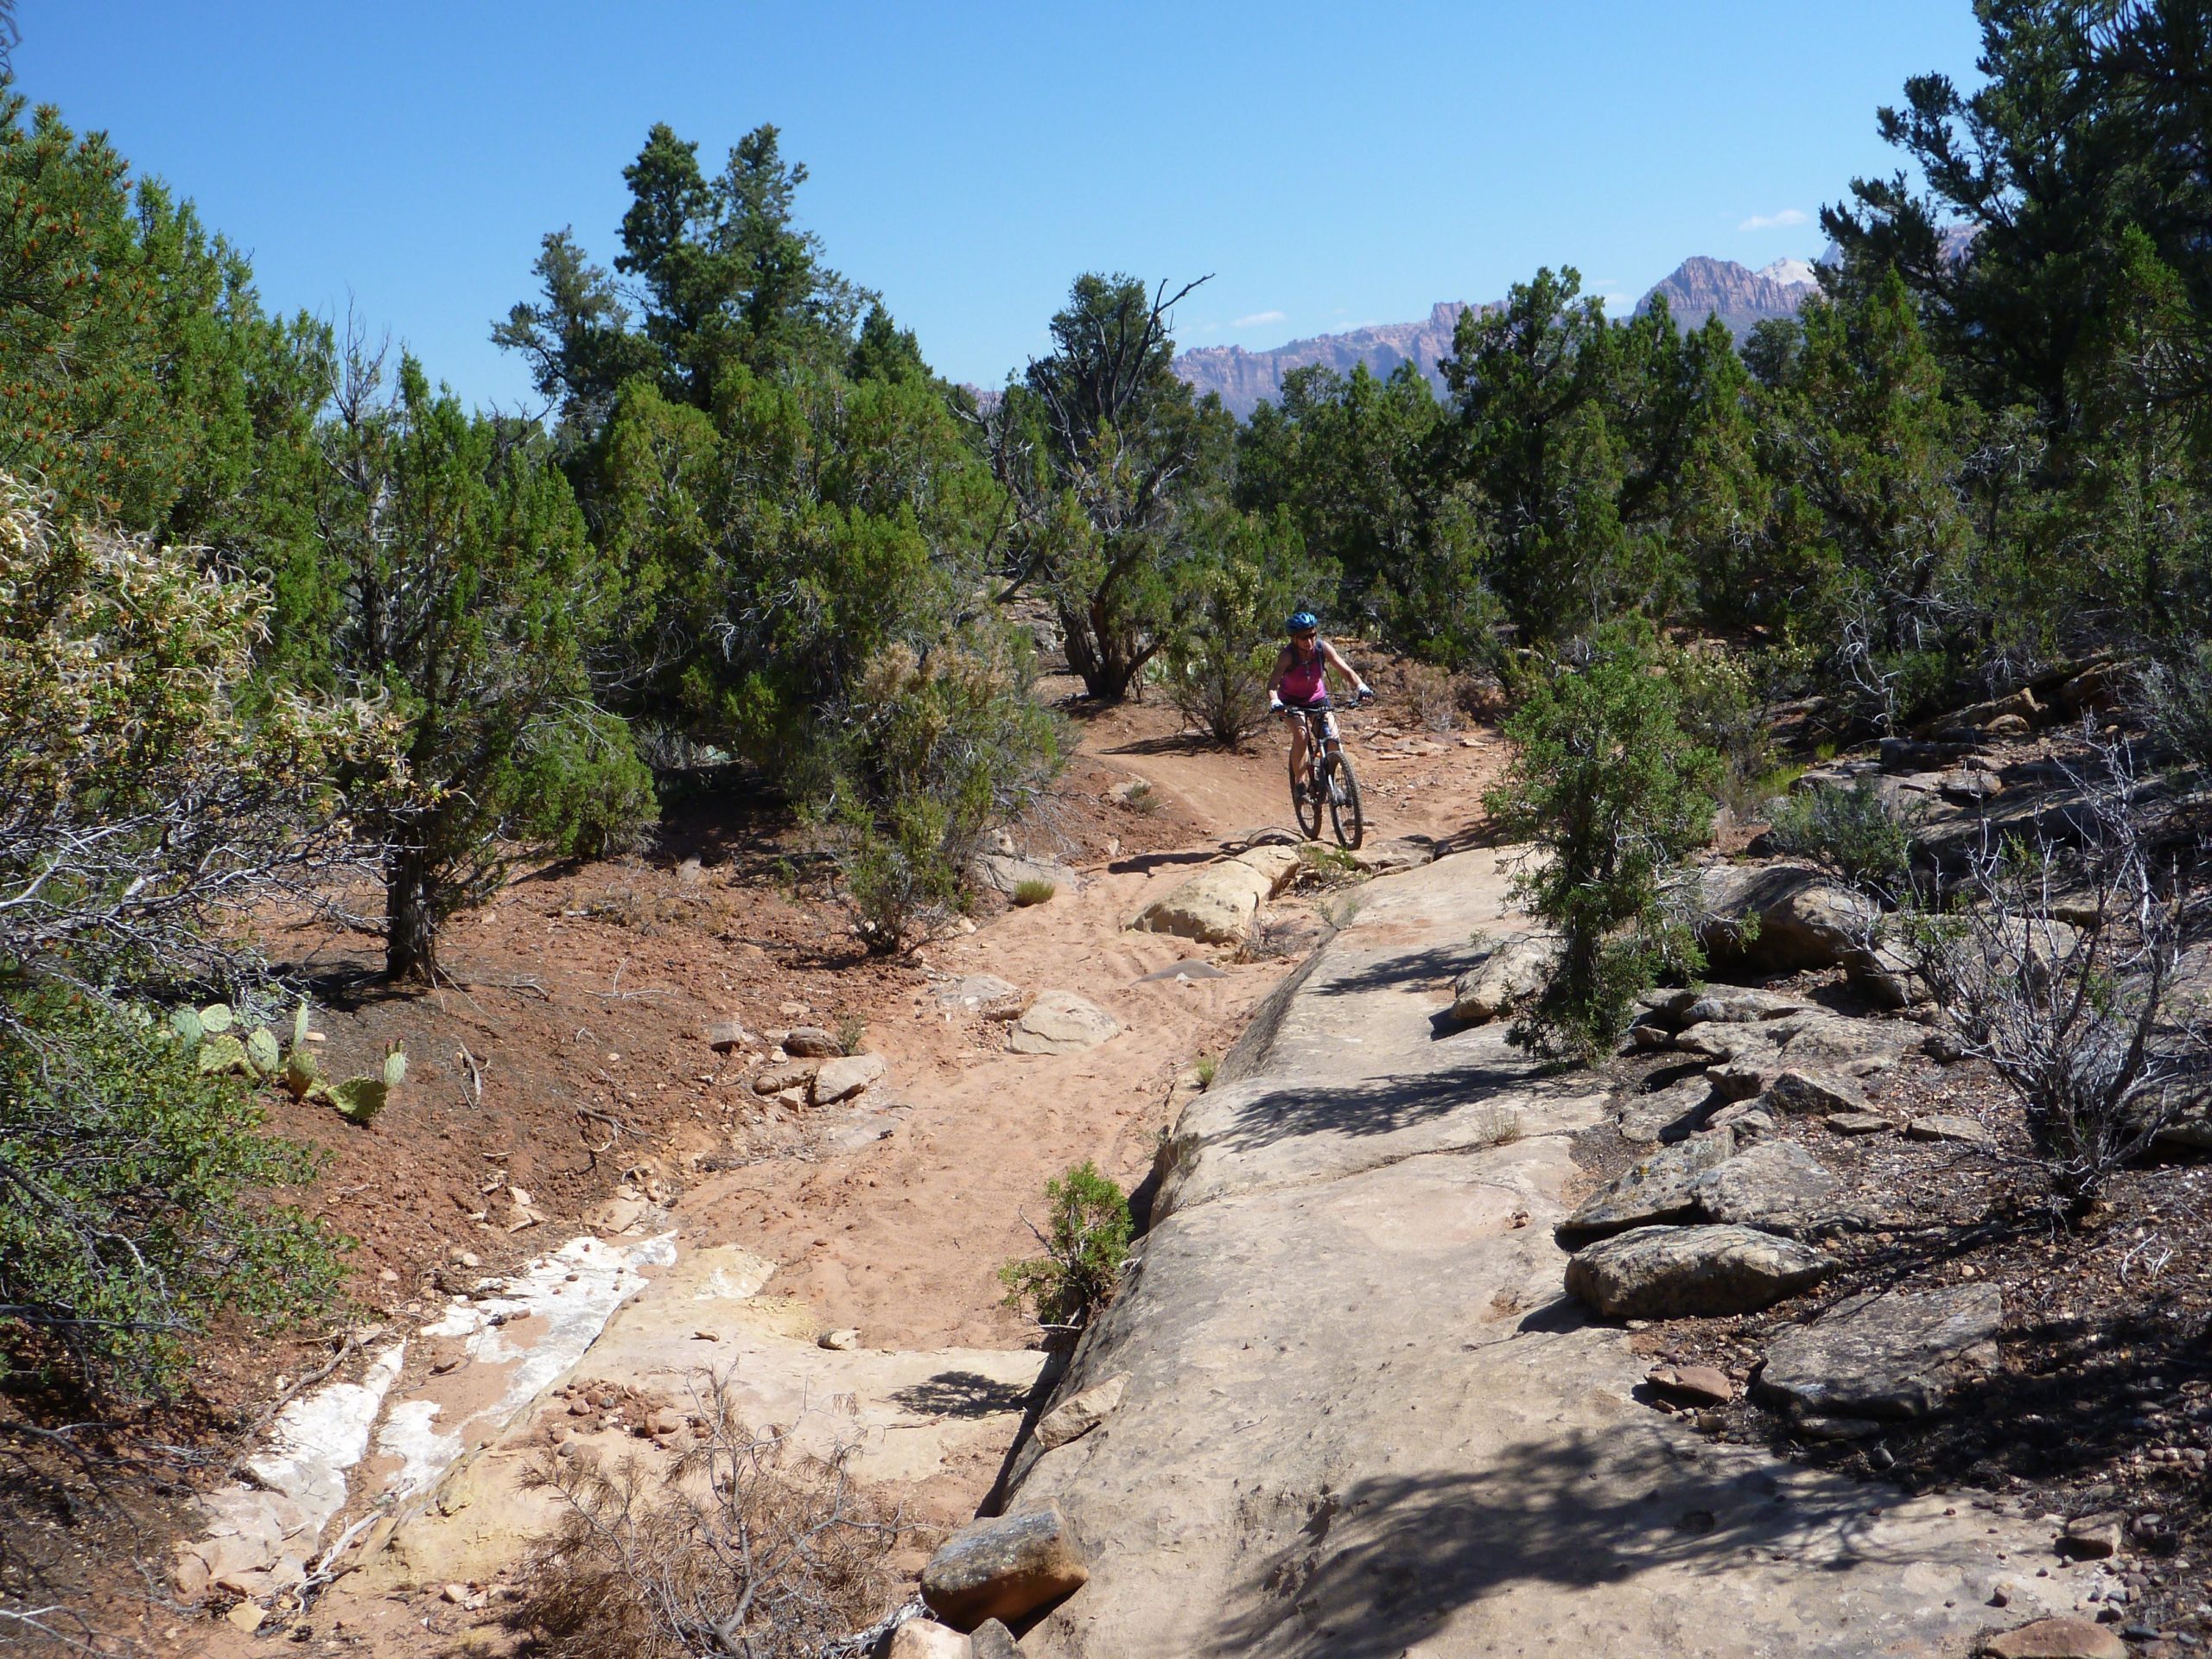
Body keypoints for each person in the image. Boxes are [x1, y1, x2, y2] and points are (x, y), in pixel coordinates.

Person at [1268, 611, 1371, 798]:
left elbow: (1346, 671)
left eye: (1312, 635)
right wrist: (1275, 701)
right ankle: (1300, 783)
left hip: (1317, 700)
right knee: (1301, 735)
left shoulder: (1322, 649)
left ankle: (1329, 780)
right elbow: (1272, 684)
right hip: (1290, 702)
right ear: (1294, 639)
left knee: (1333, 740)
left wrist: (1361, 686)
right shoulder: (1287, 655)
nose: (1309, 641)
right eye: (1304, 637)